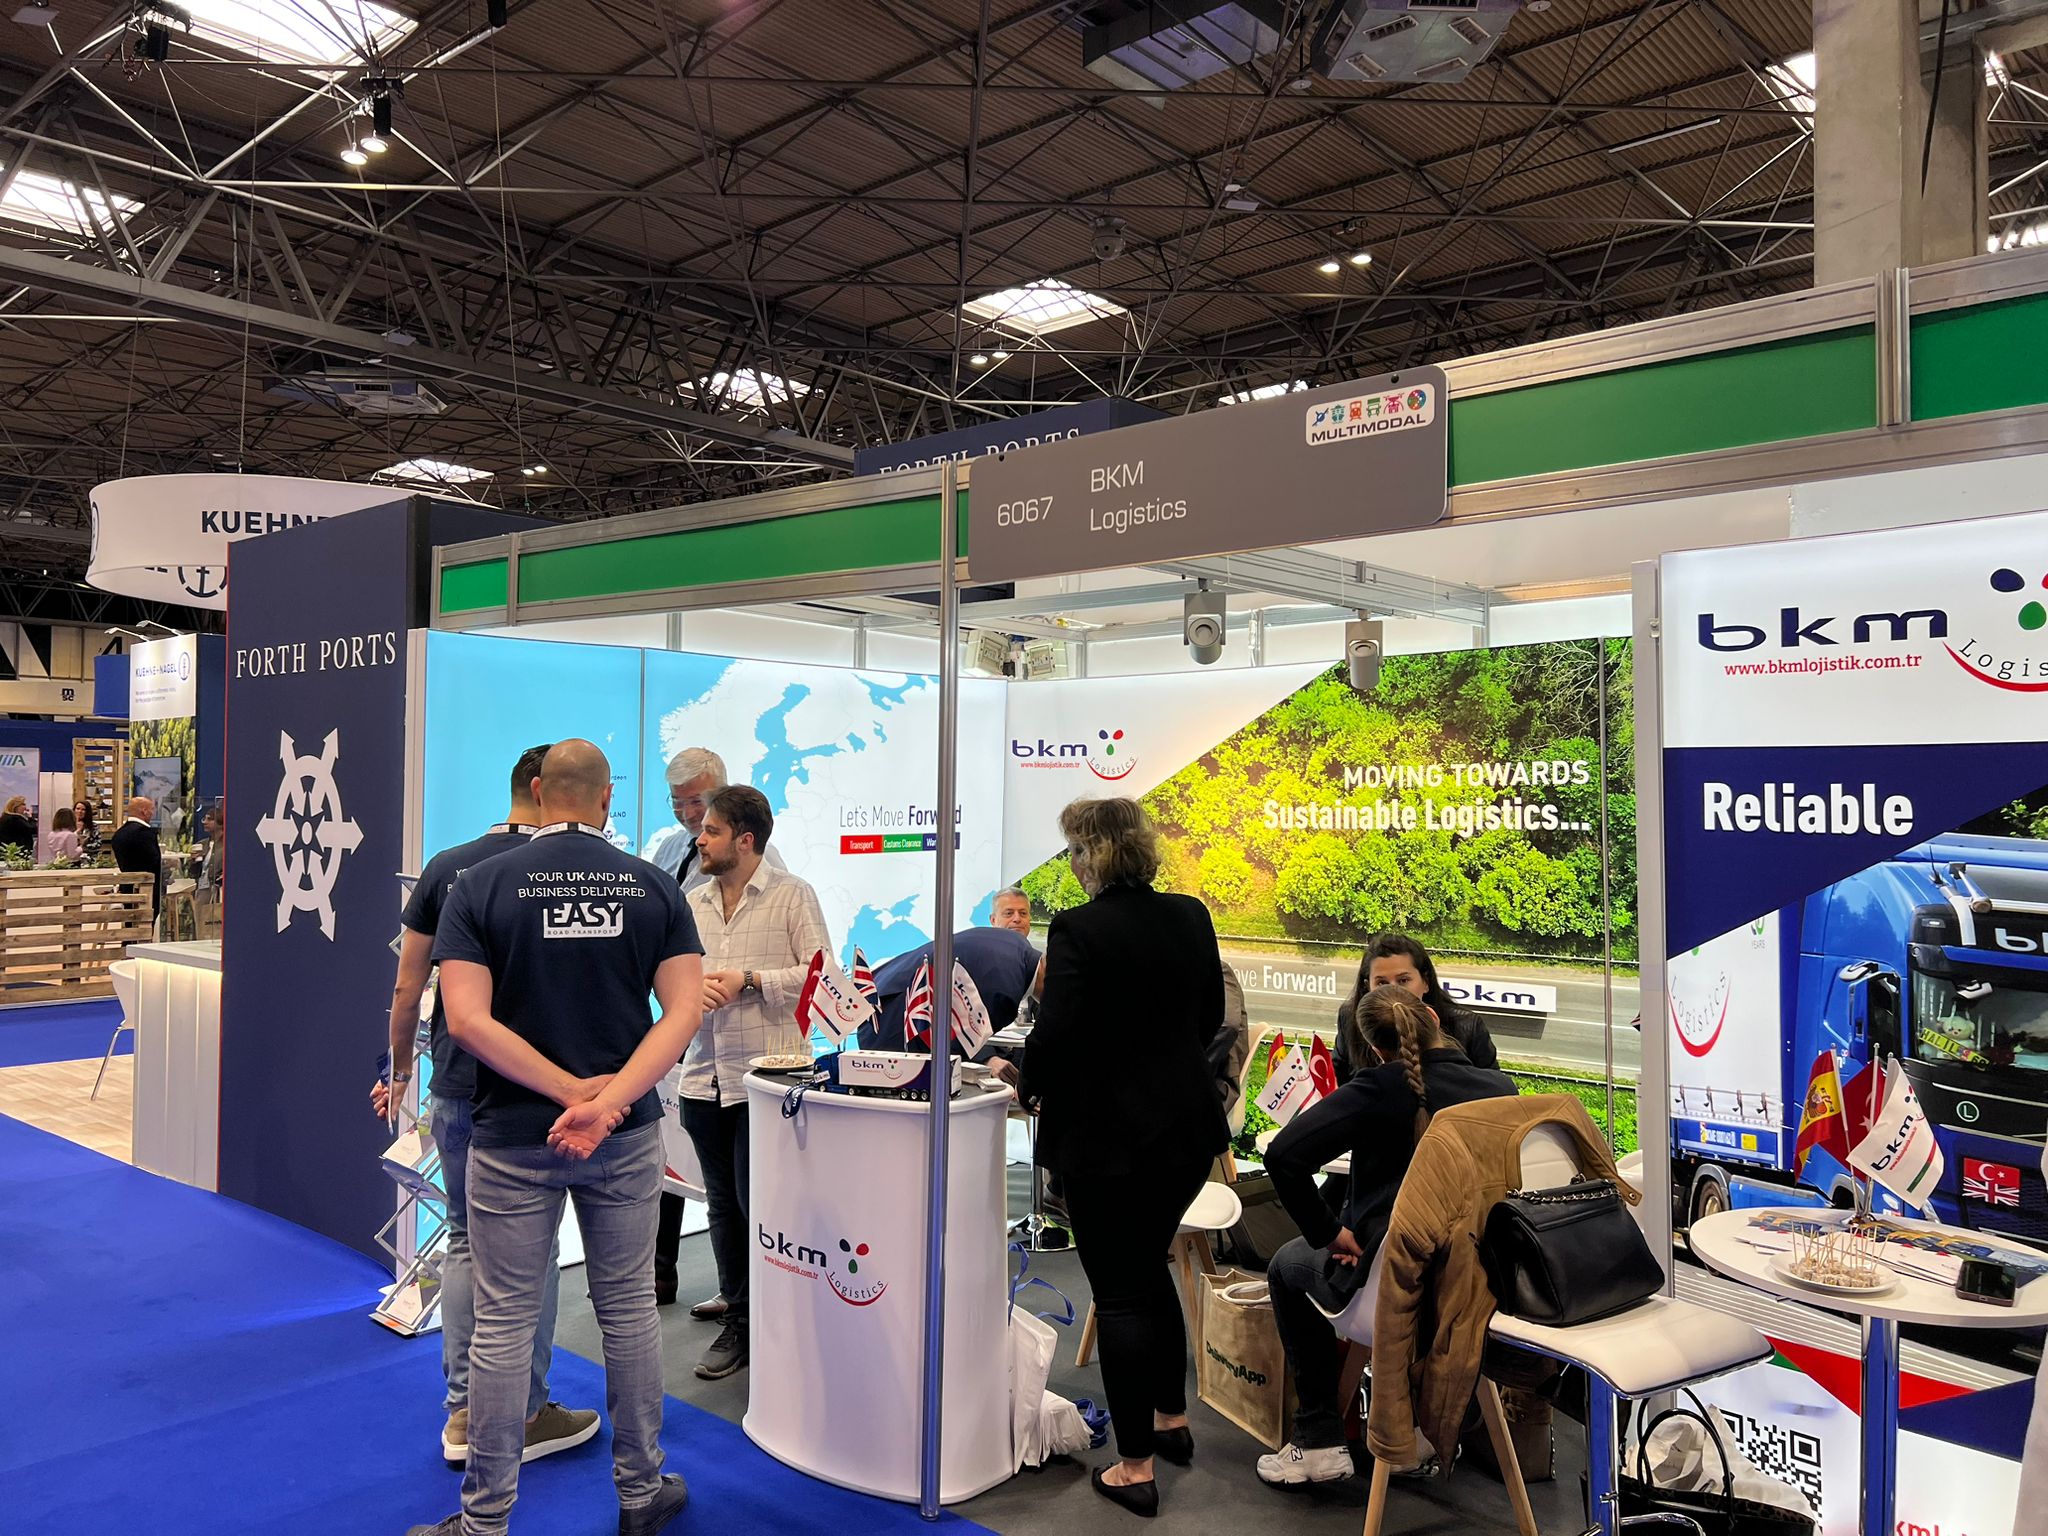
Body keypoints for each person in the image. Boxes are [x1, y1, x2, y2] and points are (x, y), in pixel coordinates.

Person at [405, 740, 704, 1536]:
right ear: (606, 800)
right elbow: (682, 1010)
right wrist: (604, 1102)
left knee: (504, 1323)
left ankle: (485, 1521)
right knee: (629, 1312)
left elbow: (465, 1020)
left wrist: (567, 1094)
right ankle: (641, 1493)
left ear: (538, 792)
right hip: (623, 1136)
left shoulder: (479, 884)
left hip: (511, 1134)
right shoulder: (651, 885)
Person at [370, 746, 600, 1469]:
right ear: (550, 791)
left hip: (457, 1084)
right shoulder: (574, 874)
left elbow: (407, 987)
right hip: (538, 1092)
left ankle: (465, 1413)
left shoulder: (449, 867)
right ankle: (524, 1411)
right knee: (533, 1255)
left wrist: (397, 1072)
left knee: (467, 1243)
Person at [1016, 797, 1227, 1518]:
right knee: (1148, 1271)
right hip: (1184, 1133)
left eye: (1075, 851)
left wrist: (1026, 1080)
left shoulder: (1078, 928)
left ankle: (1134, 1466)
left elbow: (1057, 1032)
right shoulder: (1190, 914)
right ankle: (1171, 1421)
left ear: (1094, 854)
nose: (1072, 864)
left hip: (1107, 1140)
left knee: (1121, 1292)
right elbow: (1207, 1019)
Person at [1255, 986, 1517, 1487]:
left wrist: (1331, 1234)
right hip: (1479, 1291)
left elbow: (1283, 1156)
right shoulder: (1499, 1088)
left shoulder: (1381, 1088)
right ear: (1434, 1018)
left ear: (1375, 1049)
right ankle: (1416, 1432)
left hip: (1395, 1289)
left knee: (1286, 1266)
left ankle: (1318, 1439)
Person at [678, 783, 829, 1381]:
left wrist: (750, 980)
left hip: (769, 1081)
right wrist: (689, 990)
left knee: (761, 1209)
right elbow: (671, 977)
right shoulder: (693, 902)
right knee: (722, 1206)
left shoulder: (793, 895)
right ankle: (739, 1318)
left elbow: (820, 976)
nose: (699, 839)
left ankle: (775, 1322)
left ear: (745, 840)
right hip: (703, 1077)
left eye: (711, 831)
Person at [643, 746, 785, 1309]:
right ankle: (669, 1277)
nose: (689, 820)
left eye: (698, 806)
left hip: (751, 1054)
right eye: (676, 803)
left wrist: (746, 979)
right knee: (678, 1163)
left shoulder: (780, 880)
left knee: (746, 1195)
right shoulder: (671, 855)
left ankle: (754, 1308)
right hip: (689, 1040)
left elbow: (813, 970)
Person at [858, 924, 1043, 1054]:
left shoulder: (1016, 944)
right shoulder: (1006, 989)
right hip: (893, 1017)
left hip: (886, 984)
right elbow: (959, 1049)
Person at [1334, 934, 1499, 1076]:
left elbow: (1494, 1089)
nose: (1393, 990)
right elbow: (1335, 1077)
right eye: (1382, 983)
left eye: (1403, 980)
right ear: (1367, 987)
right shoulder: (1349, 1018)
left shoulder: (1467, 1026)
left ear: (1425, 981)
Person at [639, 746, 787, 889]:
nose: (687, 814)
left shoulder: (759, 853)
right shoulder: (668, 848)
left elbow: (781, 899)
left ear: (722, 795)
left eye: (697, 801)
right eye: (677, 802)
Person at [111, 796, 164, 918]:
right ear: (144, 811)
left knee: (130, 923)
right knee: (145, 924)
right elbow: (154, 861)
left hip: (127, 888)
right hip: (147, 890)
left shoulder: (119, 834)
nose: (153, 813)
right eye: (152, 809)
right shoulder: (145, 833)